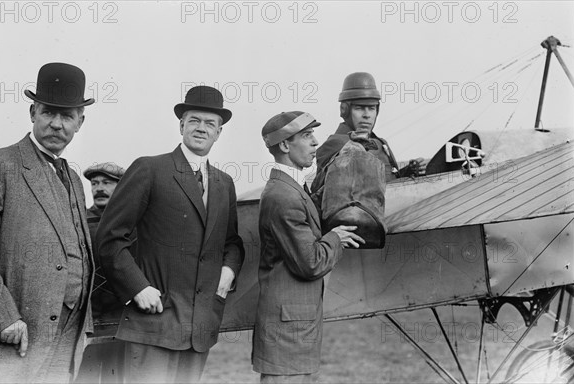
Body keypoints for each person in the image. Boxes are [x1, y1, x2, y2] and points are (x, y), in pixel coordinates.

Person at [97, 85, 245, 383]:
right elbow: (110, 238)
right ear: (181, 125)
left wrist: (228, 271)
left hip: (200, 329)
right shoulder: (149, 169)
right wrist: (137, 288)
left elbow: (231, 242)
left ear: (219, 132)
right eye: (194, 120)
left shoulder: (224, 182)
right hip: (153, 323)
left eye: (210, 123)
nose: (201, 129)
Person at [0, 62, 95, 383]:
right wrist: (3, 318)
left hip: (70, 334)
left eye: (67, 116)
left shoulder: (73, 177)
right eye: (48, 113)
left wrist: (83, 325)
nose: (57, 124)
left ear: (80, 122)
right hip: (18, 335)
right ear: (33, 113)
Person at [252, 111, 365, 383]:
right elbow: (310, 262)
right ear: (284, 145)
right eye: (306, 135)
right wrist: (337, 237)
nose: (315, 142)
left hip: (296, 321)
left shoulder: (293, 188)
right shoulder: (283, 195)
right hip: (288, 325)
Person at [312, 72, 426, 192]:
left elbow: (383, 187)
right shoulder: (335, 144)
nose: (367, 115)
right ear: (345, 110)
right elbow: (324, 192)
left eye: (371, 108)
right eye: (359, 108)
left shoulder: (380, 143)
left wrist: (407, 172)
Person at [75, 163, 126, 384]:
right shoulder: (79, 221)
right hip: (87, 318)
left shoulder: (131, 221)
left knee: (117, 377)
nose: (99, 188)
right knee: (84, 375)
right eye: (95, 183)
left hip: (122, 319)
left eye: (106, 182)